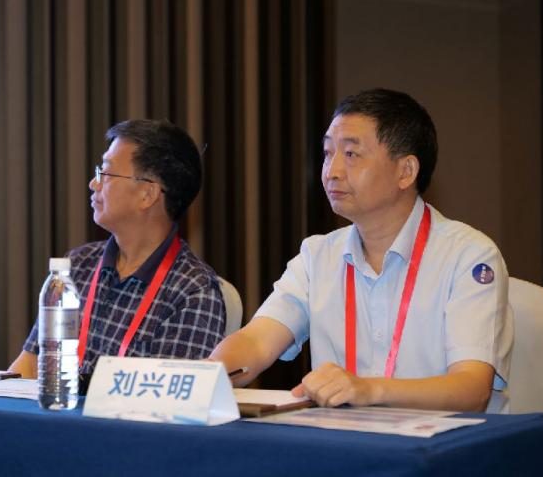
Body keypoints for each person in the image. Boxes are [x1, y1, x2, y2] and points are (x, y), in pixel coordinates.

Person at [210, 88, 514, 413]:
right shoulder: (317, 256)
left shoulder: (468, 256)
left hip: (444, 439)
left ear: (406, 171)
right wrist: (207, 375)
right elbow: (256, 342)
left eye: (351, 154)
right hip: (347, 439)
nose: (332, 171)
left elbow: (471, 389)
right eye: (328, 153)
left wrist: (368, 389)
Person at [9, 119, 226, 388]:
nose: (93, 183)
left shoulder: (193, 291)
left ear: (147, 194)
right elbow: (30, 364)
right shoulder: (78, 265)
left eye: (106, 173)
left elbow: (166, 400)